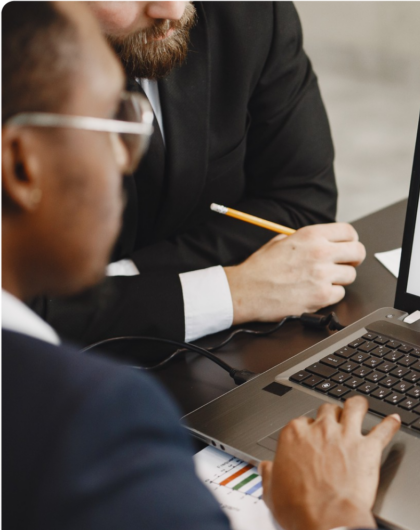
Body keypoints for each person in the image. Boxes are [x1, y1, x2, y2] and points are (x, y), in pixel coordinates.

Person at [0, 2, 420, 530]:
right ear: (22, 162)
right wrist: (336, 521)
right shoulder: (85, 433)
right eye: (114, 120)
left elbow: (300, 199)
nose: (132, 158)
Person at [30, 0, 368, 345]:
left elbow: (301, 204)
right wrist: (233, 293)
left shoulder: (249, 12)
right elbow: (18, 312)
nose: (174, 9)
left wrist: (115, 286)